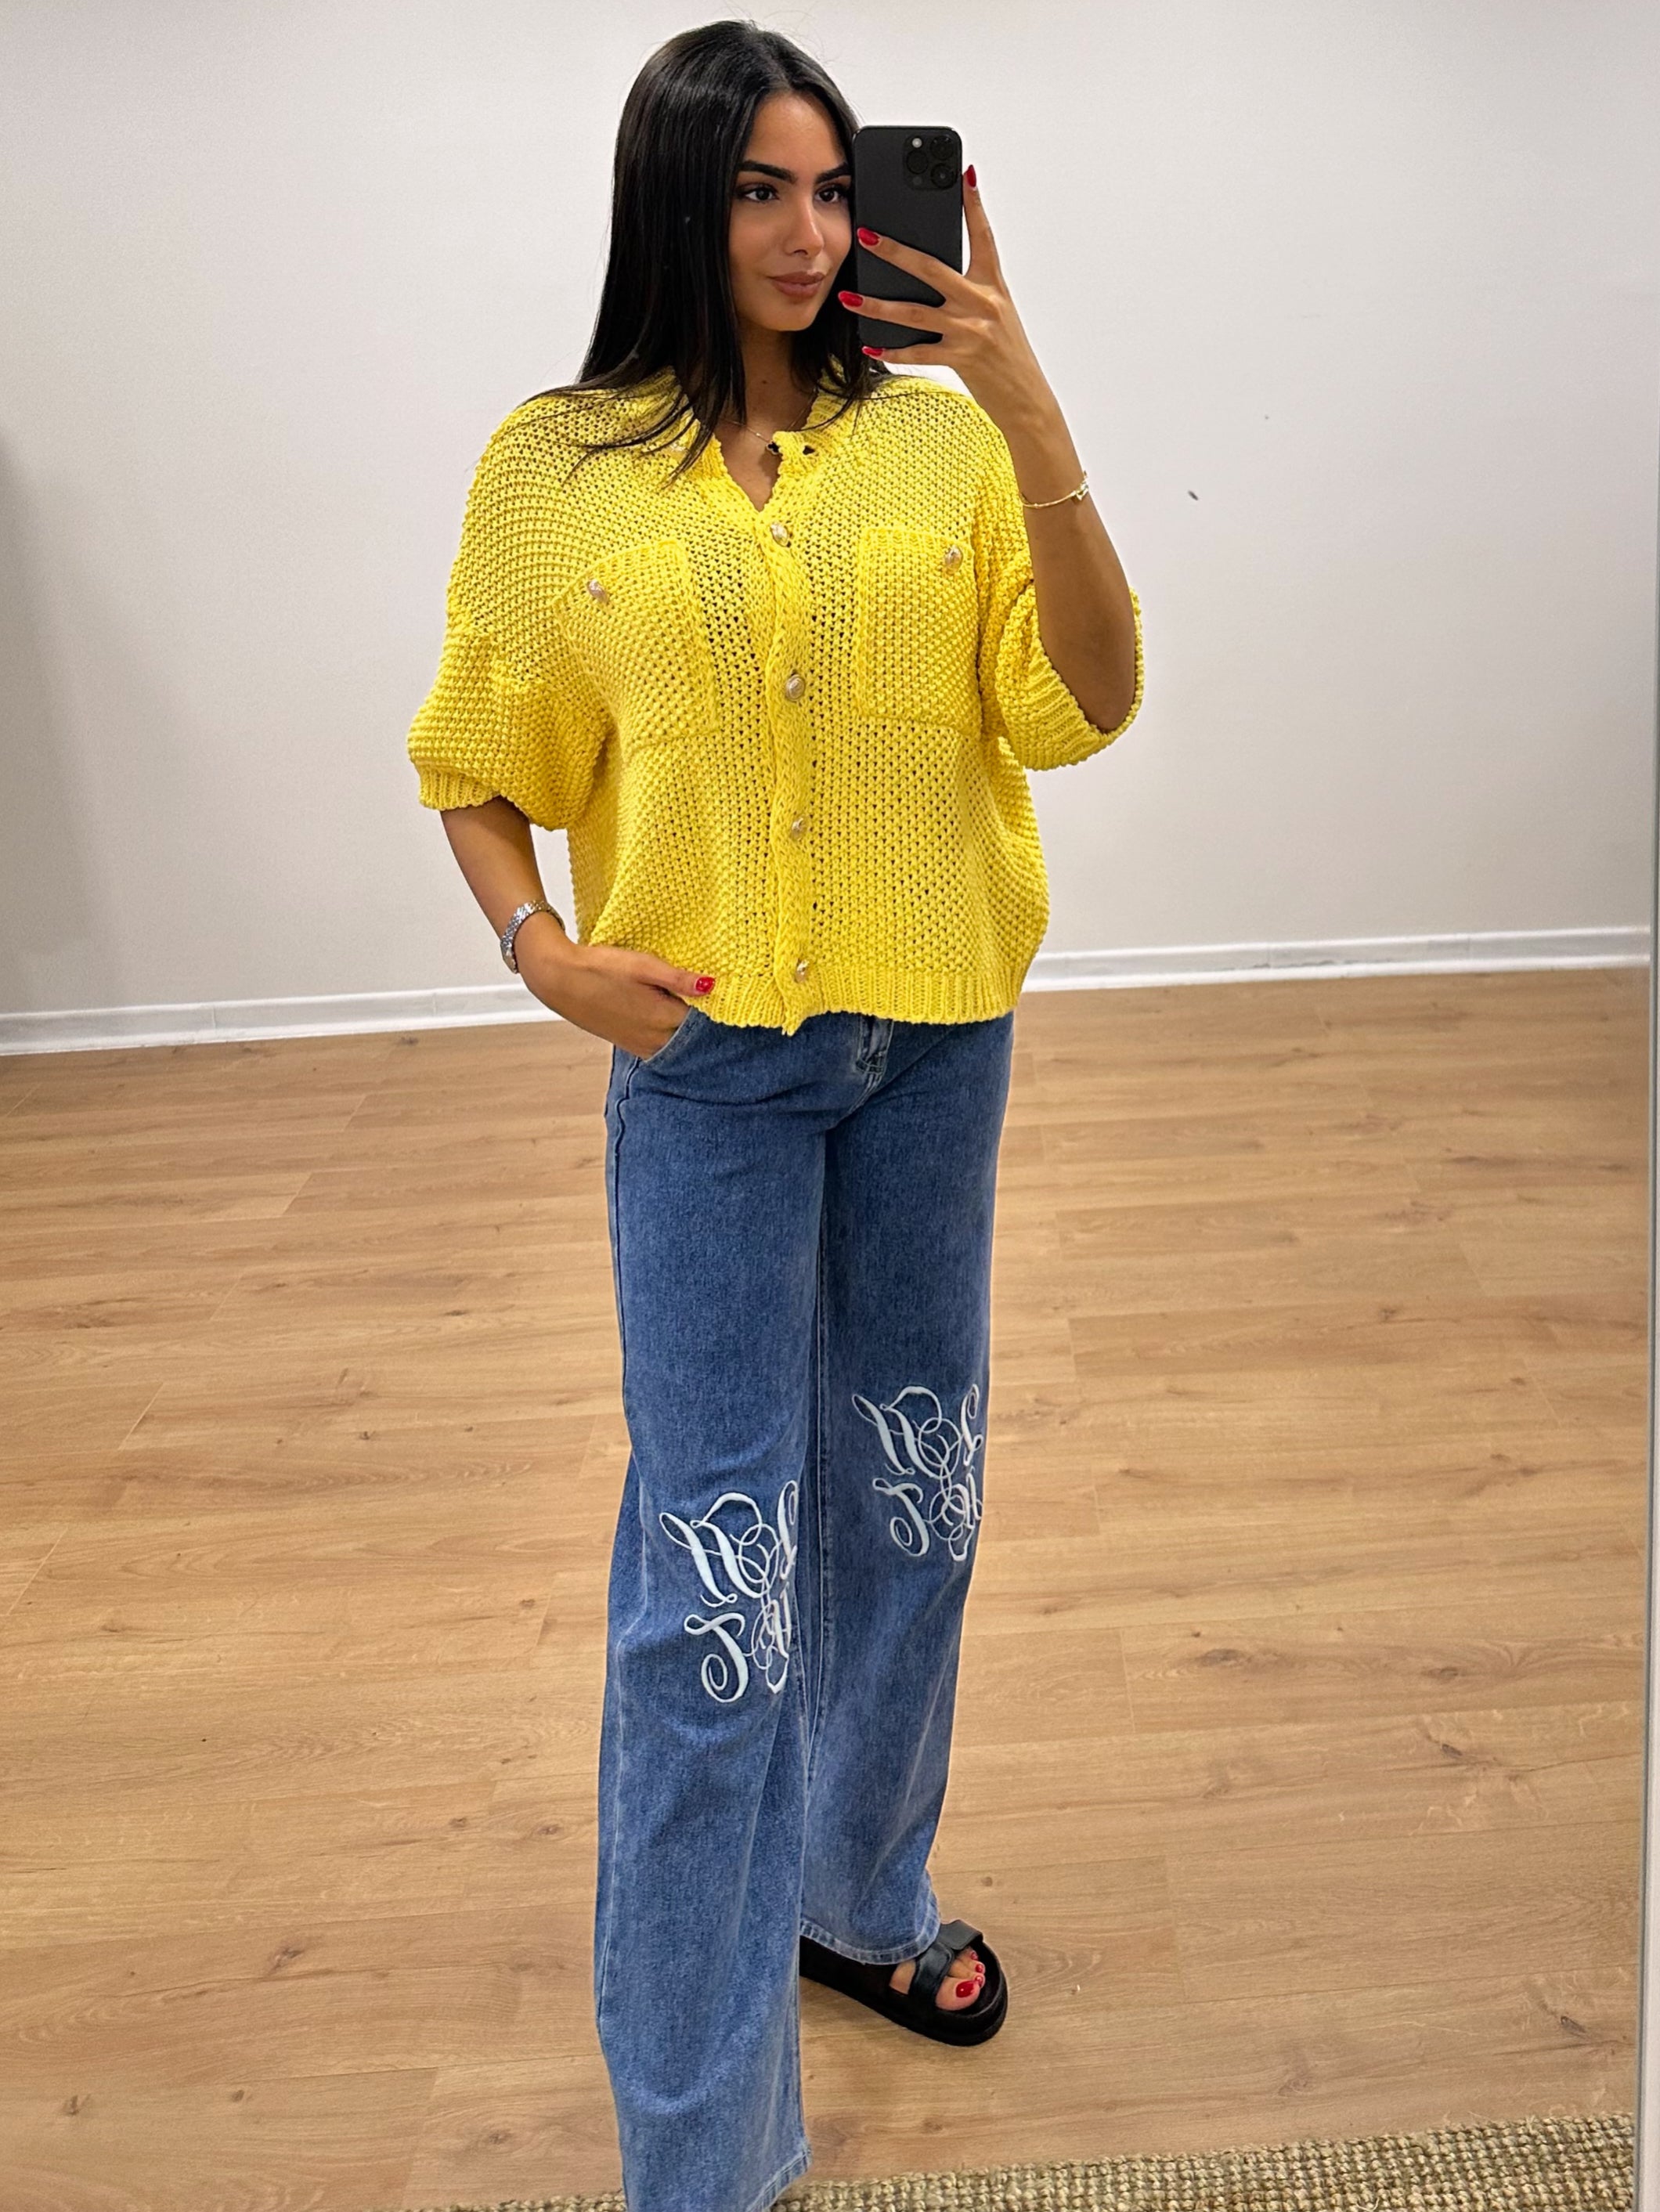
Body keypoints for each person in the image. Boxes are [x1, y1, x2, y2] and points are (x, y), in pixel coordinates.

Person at [406, 20, 1144, 2212]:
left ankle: (856, 1891)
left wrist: (1028, 403)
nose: (815, 233)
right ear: (678, 198)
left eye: (838, 188)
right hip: (711, 1068)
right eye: (762, 190)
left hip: (934, 1043)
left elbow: (1090, 700)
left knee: (912, 1503)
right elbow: (475, 755)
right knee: (715, 1589)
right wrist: (542, 951)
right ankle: (704, 2155)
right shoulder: (557, 469)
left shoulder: (941, 450)